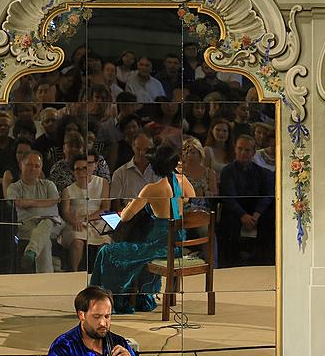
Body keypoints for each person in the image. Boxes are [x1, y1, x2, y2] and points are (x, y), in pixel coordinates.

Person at [90, 144, 195, 314]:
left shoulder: (151, 189)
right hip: (177, 242)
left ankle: (112, 300)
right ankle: (139, 296)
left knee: (107, 251)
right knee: (136, 243)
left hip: (158, 245)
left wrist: (132, 204)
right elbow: (191, 197)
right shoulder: (182, 180)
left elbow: (125, 217)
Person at [217, 134, 275, 267]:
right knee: (229, 220)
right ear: (235, 149)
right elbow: (228, 197)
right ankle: (231, 264)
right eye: (240, 149)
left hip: (256, 211)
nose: (243, 153)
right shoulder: (227, 171)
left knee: (270, 218)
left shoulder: (264, 173)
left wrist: (257, 214)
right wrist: (242, 215)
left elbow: (267, 195)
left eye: (247, 150)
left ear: (254, 152)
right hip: (236, 210)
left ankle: (263, 262)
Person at [5, 151, 64, 273]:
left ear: (41, 168)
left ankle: (32, 251)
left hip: (54, 226)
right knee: (45, 241)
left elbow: (54, 201)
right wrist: (43, 204)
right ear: (21, 165)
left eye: (37, 166)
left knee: (48, 221)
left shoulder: (48, 185)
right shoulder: (14, 187)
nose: (33, 168)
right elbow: (16, 203)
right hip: (26, 225)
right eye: (29, 165)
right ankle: (46, 273)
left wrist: (29, 203)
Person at [61, 153, 110, 271]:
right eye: (77, 169)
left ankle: (100, 274)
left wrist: (85, 218)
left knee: (105, 242)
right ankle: (74, 272)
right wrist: (74, 221)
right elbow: (65, 212)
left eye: (84, 168)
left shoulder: (102, 183)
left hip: (97, 220)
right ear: (73, 172)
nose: (81, 171)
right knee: (77, 241)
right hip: (75, 222)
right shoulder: (68, 190)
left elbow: (105, 208)